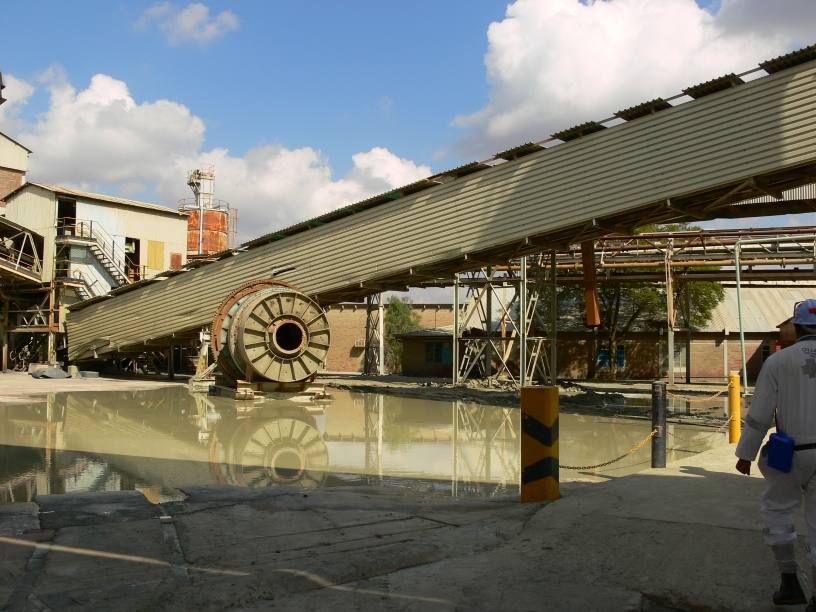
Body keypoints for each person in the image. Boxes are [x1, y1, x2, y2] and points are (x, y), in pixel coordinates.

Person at [736, 298, 816, 608]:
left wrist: (745, 453)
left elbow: (760, 415)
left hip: (789, 454)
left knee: (778, 512)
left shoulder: (778, 361)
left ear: (796, 327)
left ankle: (790, 582)